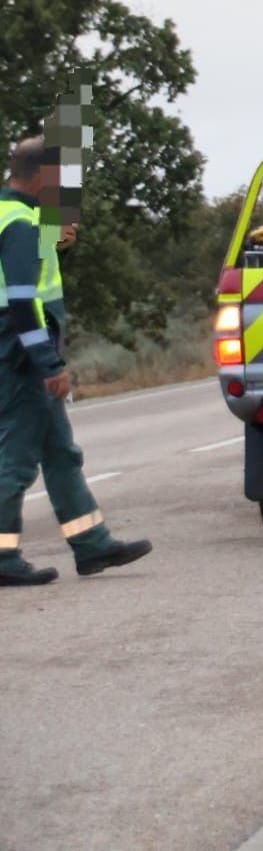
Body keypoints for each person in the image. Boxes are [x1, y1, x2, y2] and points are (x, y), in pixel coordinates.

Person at [0, 137, 152, 586]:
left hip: (19, 349)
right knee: (16, 460)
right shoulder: (20, 223)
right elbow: (22, 299)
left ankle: (92, 545)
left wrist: (55, 240)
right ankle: (2, 557)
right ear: (42, 175)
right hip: (22, 354)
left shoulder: (16, 214)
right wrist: (48, 364)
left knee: (61, 455)